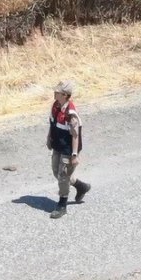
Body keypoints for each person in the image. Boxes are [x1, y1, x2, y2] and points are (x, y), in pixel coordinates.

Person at [46, 80, 90, 219]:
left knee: (63, 177)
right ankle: (81, 186)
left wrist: (75, 155)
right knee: (56, 172)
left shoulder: (71, 113)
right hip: (58, 145)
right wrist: (49, 138)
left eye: (57, 92)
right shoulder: (56, 106)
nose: (55, 93)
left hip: (68, 149)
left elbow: (75, 135)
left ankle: (62, 205)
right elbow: (52, 123)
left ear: (65, 95)